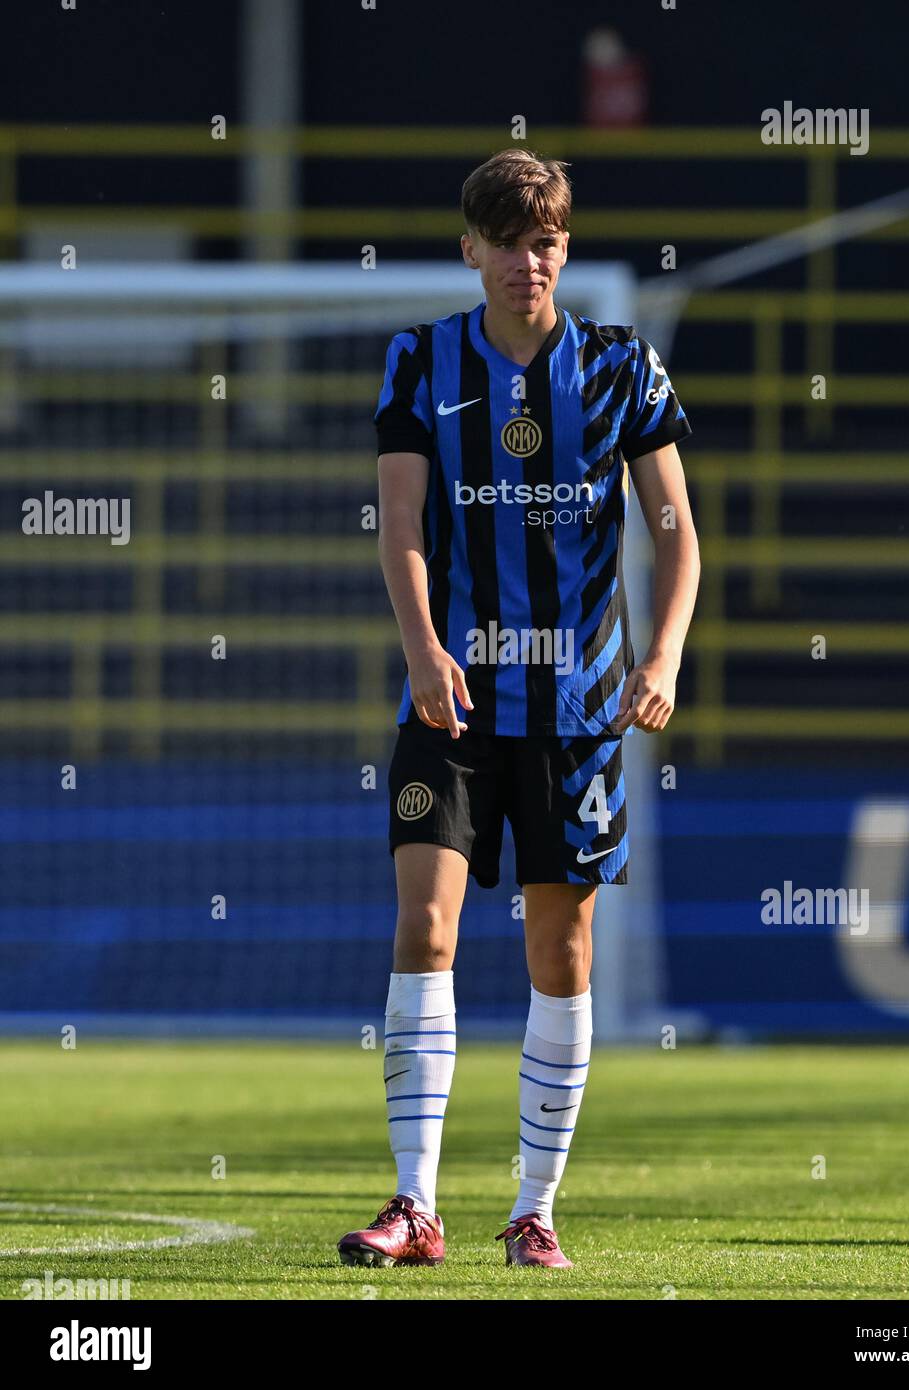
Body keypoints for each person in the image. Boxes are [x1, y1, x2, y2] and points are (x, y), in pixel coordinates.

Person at [337, 148, 699, 1271]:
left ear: (563, 251)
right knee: (427, 925)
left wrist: (665, 655)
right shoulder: (420, 362)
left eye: (542, 241)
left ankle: (533, 1209)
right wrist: (423, 646)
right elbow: (399, 527)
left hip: (579, 706)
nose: (523, 261)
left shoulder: (619, 367)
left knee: (562, 945)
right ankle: (413, 1204)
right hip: (450, 701)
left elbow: (677, 527)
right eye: (504, 240)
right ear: (471, 250)